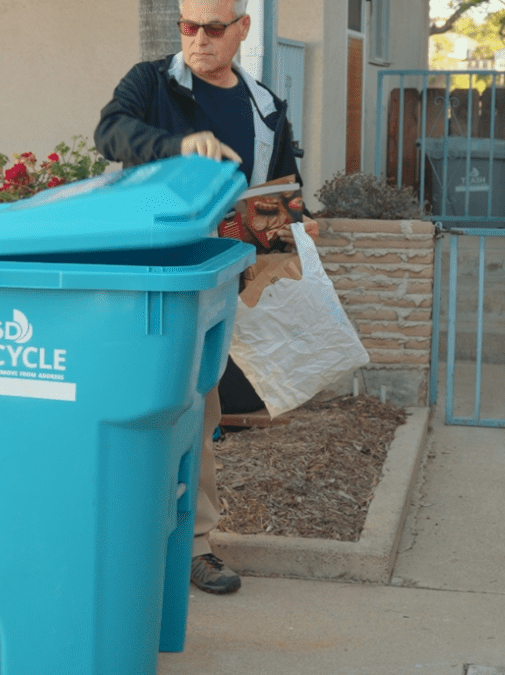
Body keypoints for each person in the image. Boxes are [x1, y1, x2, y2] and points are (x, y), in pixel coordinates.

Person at [95, 0, 317, 595]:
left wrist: (295, 223)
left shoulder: (264, 107)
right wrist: (179, 144)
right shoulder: (151, 83)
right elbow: (111, 132)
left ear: (242, 30)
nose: (198, 39)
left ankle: (193, 546)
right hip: (146, 274)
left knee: (199, 411)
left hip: (216, 280)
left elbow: (279, 187)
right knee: (133, 405)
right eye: (188, 27)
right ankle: (115, 539)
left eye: (213, 28)